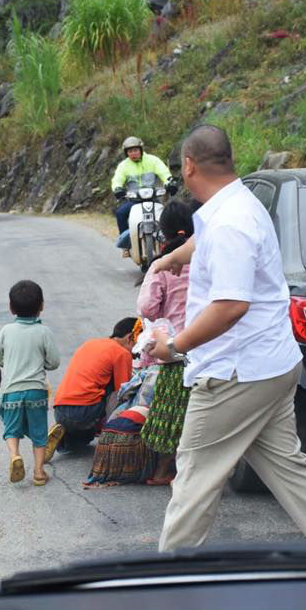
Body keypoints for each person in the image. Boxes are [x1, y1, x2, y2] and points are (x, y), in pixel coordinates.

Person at [147, 124, 306, 551]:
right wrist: (172, 259)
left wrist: (173, 347)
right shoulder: (240, 204)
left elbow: (229, 307)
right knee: (289, 470)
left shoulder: (229, 225)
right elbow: (205, 244)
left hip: (233, 374)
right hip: (271, 366)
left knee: (195, 479)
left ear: (188, 166)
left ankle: (169, 581)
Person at [136, 200, 194, 485]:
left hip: (174, 351)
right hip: (207, 349)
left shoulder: (163, 265)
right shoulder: (205, 258)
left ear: (163, 232)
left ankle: (162, 472)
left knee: (169, 417)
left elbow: (147, 308)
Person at [0, 280, 62, 486]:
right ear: (41, 305)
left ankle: (15, 455)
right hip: (36, 392)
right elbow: (54, 362)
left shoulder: (6, 330)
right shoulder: (44, 332)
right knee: (39, 431)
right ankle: (39, 472)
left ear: (11, 307)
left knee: (11, 429)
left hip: (12, 391)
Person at [52, 317, 138, 452]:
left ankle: (63, 438)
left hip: (59, 409)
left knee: (83, 440)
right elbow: (123, 392)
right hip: (83, 413)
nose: (138, 354)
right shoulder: (122, 353)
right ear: (129, 338)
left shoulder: (90, 343)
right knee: (123, 388)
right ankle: (108, 431)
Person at [111, 136, 172, 248]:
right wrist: (117, 188)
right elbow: (117, 179)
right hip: (134, 200)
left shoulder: (153, 160)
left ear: (141, 149)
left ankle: (169, 242)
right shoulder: (123, 165)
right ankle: (126, 245)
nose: (133, 153)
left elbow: (164, 172)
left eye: (135, 150)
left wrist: (169, 182)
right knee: (120, 213)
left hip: (152, 198)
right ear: (126, 153)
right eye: (130, 151)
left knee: (167, 215)